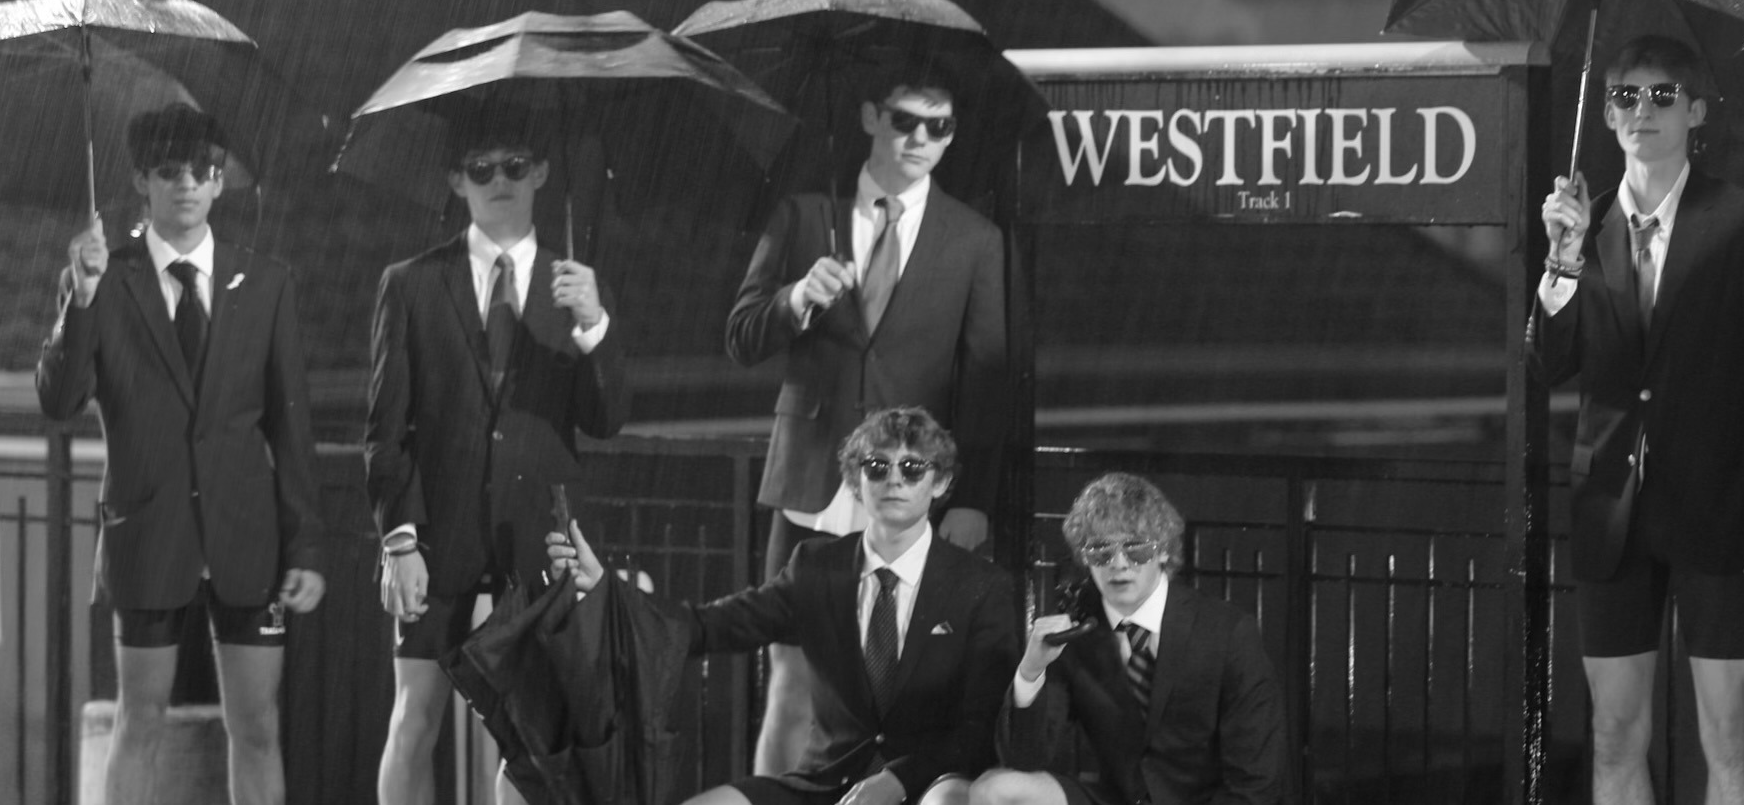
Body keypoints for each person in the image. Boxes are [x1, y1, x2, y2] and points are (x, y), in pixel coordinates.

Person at [37, 103, 327, 805]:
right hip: (148, 532)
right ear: (142, 179)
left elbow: (290, 428)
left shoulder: (267, 284)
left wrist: (307, 548)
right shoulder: (104, 280)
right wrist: (80, 298)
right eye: (171, 173)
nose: (189, 185)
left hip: (247, 537)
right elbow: (59, 400)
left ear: (221, 182)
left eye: (204, 171)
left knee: (256, 725)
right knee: (140, 722)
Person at [726, 66, 1008, 773]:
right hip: (811, 485)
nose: (918, 137)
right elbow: (740, 335)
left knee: (908, 698)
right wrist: (796, 298)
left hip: (907, 493)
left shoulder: (975, 240)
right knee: (788, 686)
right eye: (904, 119)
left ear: (950, 138)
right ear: (869, 117)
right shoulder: (801, 216)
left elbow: (988, 383)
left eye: (936, 126)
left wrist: (972, 499)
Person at [1527, 36, 1744, 805]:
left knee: (1729, 739)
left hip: (1720, 511)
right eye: (1628, 96)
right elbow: (1549, 363)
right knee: (1612, 735)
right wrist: (1561, 258)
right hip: (1611, 512)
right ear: (1606, 113)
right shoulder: (1584, 228)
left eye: (1663, 95)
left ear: (1696, 111)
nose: (1645, 110)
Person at [550, 407, 1017, 805]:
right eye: (877, 467)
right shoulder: (816, 566)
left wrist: (898, 781)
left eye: (912, 469)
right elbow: (708, 625)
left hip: (929, 782)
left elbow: (979, 727)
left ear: (940, 483)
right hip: (824, 783)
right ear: (856, 481)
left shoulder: (980, 585)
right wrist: (605, 590)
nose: (894, 479)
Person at [365, 105, 628, 805]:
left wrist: (595, 326)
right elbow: (387, 432)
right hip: (438, 536)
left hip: (537, 537)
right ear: (457, 180)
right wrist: (400, 541)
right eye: (482, 169)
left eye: (516, 165)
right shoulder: (413, 283)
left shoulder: (576, 288)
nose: (500, 180)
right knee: (414, 719)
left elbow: (607, 420)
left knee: (529, 731)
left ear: (541, 172)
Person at [970, 473, 1285, 805]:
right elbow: (1024, 760)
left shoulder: (1227, 632)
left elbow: (1256, 780)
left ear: (1164, 551)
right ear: (1084, 558)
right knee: (994, 790)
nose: (1118, 564)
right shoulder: (1075, 634)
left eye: (1136, 549)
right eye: (1101, 551)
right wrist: (1031, 671)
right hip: (1115, 798)